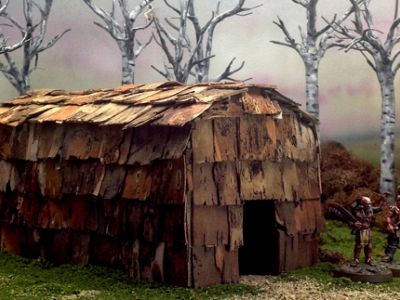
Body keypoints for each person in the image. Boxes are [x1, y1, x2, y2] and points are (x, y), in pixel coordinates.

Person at [350, 196, 386, 266]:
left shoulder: (370, 209)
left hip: (367, 230)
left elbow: (380, 208)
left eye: (369, 203)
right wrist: (359, 199)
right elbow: (351, 214)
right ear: (362, 204)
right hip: (360, 229)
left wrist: (383, 200)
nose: (369, 205)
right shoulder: (356, 210)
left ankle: (368, 259)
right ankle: (356, 259)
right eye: (367, 204)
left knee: (369, 246)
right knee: (358, 245)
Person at [382, 188, 400, 263]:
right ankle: (389, 255)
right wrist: (389, 224)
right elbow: (388, 216)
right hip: (396, 227)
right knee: (393, 241)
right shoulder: (394, 209)